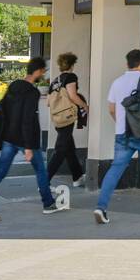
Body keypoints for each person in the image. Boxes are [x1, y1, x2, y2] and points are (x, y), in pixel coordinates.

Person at [0, 56, 65, 222]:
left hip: (8, 138)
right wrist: (29, 147)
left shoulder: (14, 85)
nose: (44, 74)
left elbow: (2, 109)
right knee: (41, 171)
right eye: (43, 71)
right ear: (38, 71)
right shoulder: (32, 92)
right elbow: (27, 120)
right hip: (25, 141)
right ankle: (48, 204)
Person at [95, 48, 140, 224]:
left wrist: (120, 122)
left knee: (115, 169)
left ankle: (101, 207)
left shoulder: (117, 83)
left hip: (123, 133)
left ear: (127, 64)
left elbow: (111, 109)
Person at [46, 52, 88, 186]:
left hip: (57, 117)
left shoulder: (55, 80)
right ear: (71, 64)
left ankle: (77, 177)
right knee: (60, 149)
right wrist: (84, 106)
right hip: (67, 116)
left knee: (69, 148)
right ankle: (44, 180)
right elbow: (72, 96)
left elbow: (48, 101)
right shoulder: (71, 77)